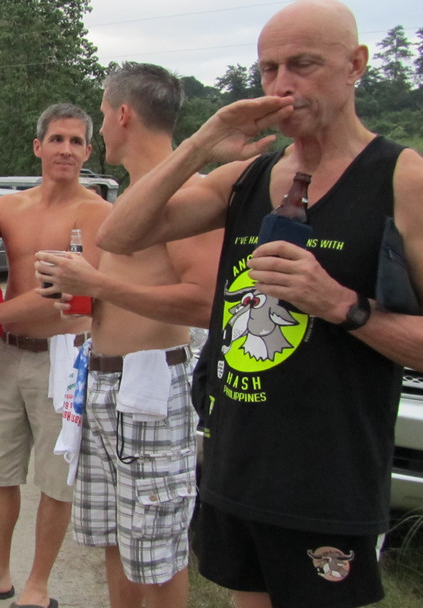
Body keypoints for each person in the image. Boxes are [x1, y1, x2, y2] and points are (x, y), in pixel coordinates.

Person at [96, 2, 423, 607]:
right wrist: (203, 141)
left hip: (330, 480)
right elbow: (119, 234)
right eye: (269, 69)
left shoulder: (401, 179)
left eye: (303, 64)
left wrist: (341, 304)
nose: (282, 85)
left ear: (356, 65)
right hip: (239, 465)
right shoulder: (250, 176)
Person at [34, 64, 222, 608]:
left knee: (159, 550)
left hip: (150, 388)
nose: (99, 130)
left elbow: (206, 302)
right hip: (104, 384)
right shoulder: (140, 193)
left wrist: (97, 283)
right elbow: (134, 289)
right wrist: (86, 297)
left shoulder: (186, 193)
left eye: (100, 114)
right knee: (116, 537)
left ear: (122, 115)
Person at [0, 104, 112, 608]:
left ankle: (37, 586)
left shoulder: (97, 213)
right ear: (38, 146)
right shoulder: (9, 208)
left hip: (63, 358)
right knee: (0, 468)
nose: (66, 150)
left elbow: (72, 295)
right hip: (9, 355)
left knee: (55, 478)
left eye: (76, 141)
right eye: (57, 139)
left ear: (88, 152)